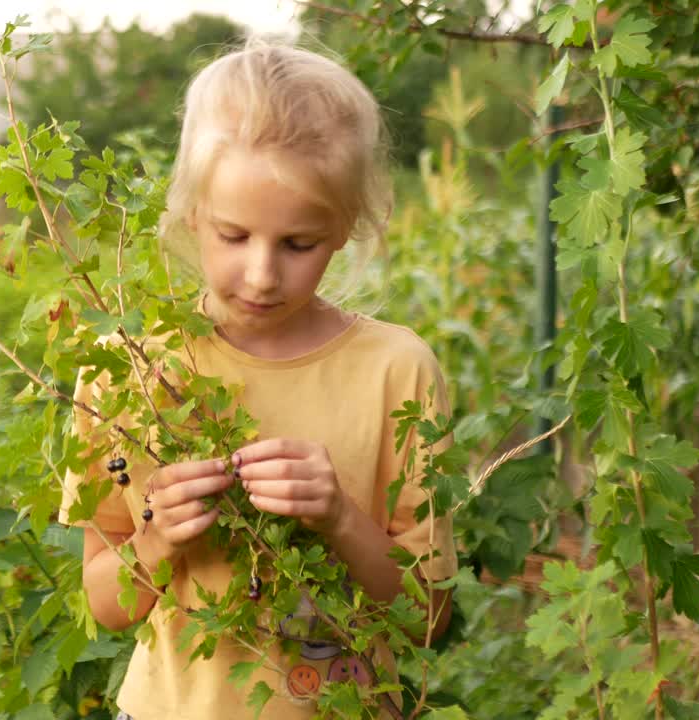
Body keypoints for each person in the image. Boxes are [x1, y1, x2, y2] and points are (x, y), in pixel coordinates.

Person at [59, 38, 456, 720]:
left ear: (344, 230)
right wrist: (158, 537)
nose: (263, 274)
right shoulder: (128, 367)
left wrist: (339, 517)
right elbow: (105, 603)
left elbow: (429, 617)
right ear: (190, 213)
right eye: (234, 235)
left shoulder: (398, 370)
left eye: (298, 244)